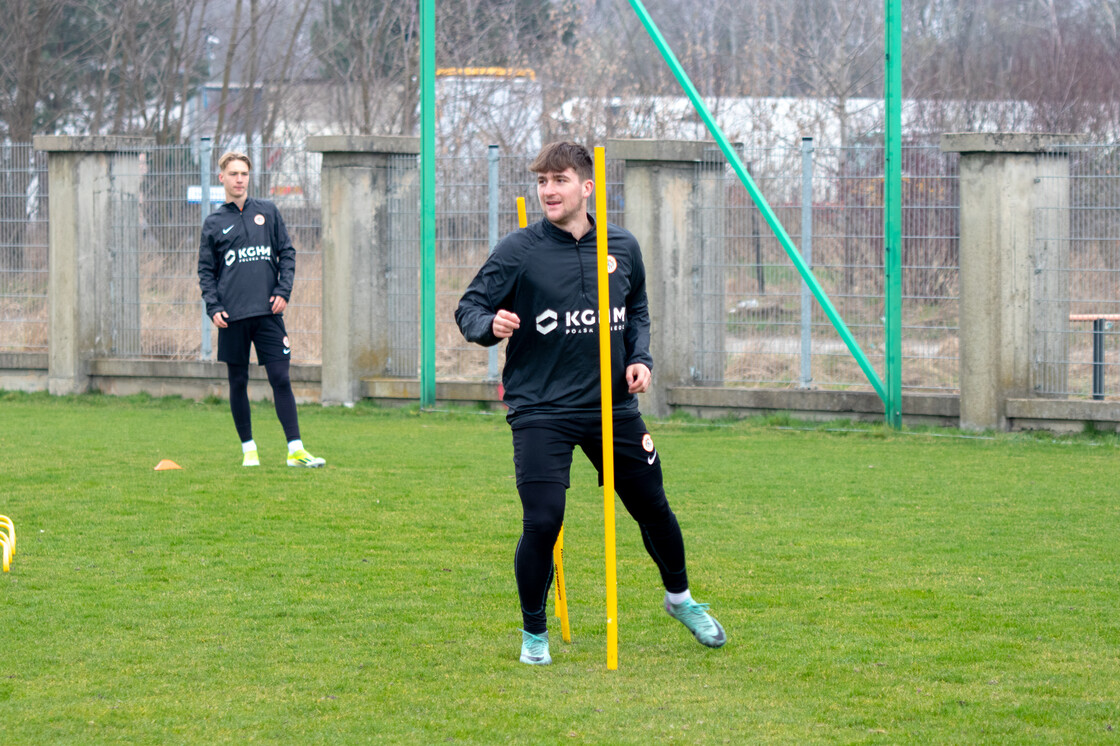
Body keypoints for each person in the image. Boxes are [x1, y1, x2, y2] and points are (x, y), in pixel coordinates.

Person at [455, 141, 725, 665]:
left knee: (653, 506)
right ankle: (535, 633)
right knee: (544, 519)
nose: (548, 191)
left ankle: (681, 600)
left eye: (559, 180)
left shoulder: (623, 245)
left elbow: (637, 306)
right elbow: (470, 306)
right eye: (541, 182)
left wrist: (640, 356)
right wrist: (490, 326)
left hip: (612, 407)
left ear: (587, 186)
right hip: (541, 409)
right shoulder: (519, 249)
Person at [198, 151, 325, 469]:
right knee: (238, 381)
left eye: (244, 174)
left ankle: (295, 450)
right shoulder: (214, 223)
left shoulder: (267, 211)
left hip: (269, 314)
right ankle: (249, 450)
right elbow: (205, 271)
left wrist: (283, 290)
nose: (239, 179)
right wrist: (213, 306)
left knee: (281, 378)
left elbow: (288, 251)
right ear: (222, 179)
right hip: (233, 317)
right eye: (234, 174)